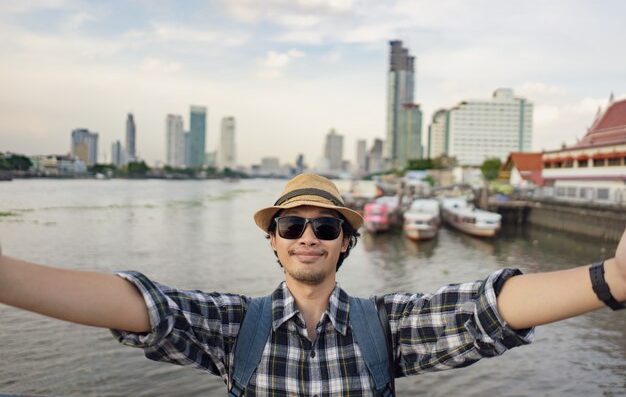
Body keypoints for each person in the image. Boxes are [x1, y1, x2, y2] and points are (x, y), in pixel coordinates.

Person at [0, 173, 625, 396]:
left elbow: (488, 308)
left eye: (324, 225)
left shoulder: (386, 326)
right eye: (291, 225)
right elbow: (141, 305)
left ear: (346, 241)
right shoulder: (232, 327)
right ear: (272, 240)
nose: (307, 236)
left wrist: (613, 279)